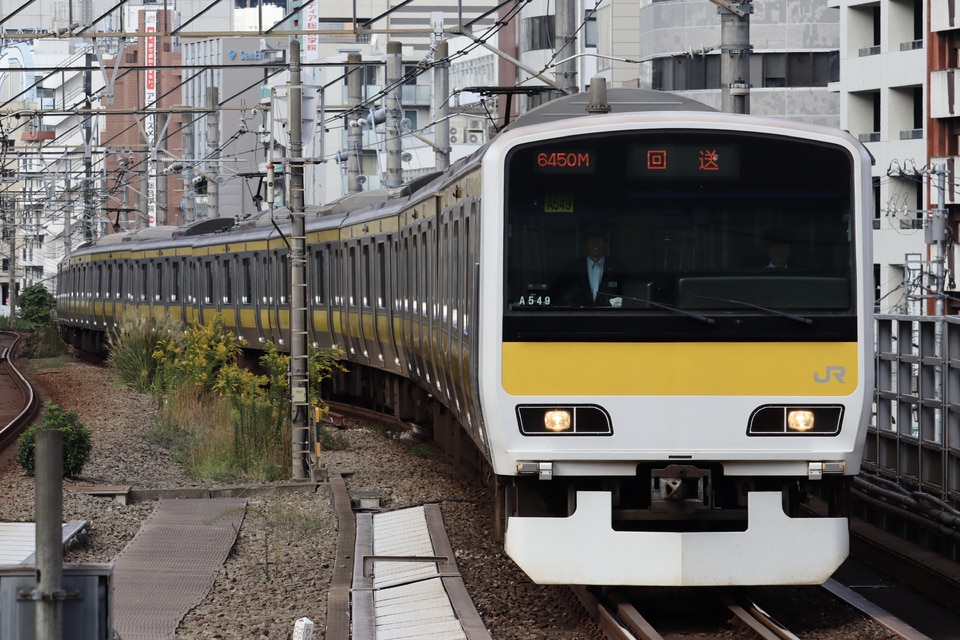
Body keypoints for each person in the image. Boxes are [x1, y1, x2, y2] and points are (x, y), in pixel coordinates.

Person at [552, 225, 623, 306]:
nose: (595, 243)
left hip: (610, 316)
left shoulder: (617, 267)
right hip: (578, 316)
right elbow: (559, 294)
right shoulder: (571, 267)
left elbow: (628, 294)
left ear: (606, 242)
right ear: (585, 243)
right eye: (591, 240)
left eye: (600, 239)